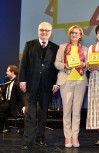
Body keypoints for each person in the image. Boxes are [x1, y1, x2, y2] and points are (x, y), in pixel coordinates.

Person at [19, 22, 59, 150]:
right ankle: (28, 141)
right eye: (42, 30)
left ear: (51, 32)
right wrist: (22, 81)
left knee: (43, 114)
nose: (44, 32)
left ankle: (40, 138)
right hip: (31, 84)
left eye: (47, 30)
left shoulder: (55, 48)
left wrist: (56, 83)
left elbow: (56, 69)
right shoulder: (29, 45)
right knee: (30, 113)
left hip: (47, 85)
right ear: (38, 31)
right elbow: (23, 64)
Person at [54, 25, 88, 148]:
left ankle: (75, 137)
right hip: (66, 81)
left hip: (80, 81)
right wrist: (66, 66)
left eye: (77, 33)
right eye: (72, 32)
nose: (74, 35)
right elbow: (56, 63)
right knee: (67, 111)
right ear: (69, 34)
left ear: (80, 36)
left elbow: (89, 65)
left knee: (77, 111)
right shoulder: (62, 47)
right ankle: (67, 138)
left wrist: (84, 64)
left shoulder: (85, 49)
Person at [0, 65, 26, 132]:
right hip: (8, 103)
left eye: (8, 71)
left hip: (15, 105)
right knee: (2, 109)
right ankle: (5, 128)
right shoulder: (8, 81)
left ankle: (4, 128)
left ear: (12, 72)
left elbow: (22, 95)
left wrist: (24, 105)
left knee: (1, 108)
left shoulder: (18, 82)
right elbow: (3, 90)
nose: (6, 72)